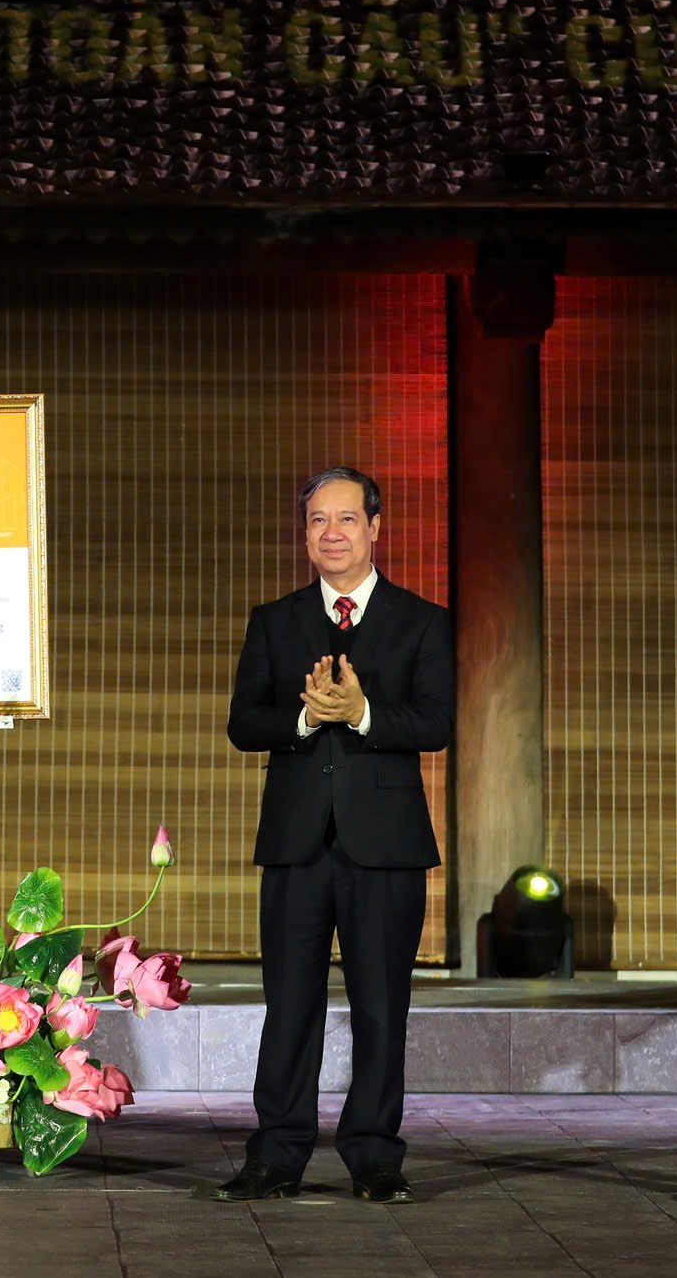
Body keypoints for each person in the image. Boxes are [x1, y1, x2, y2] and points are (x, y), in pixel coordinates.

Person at [218, 467, 454, 1204]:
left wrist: (360, 714)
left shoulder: (422, 620)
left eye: (347, 519)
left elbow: (436, 723)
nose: (332, 533)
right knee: (290, 1005)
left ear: (375, 528)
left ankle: (375, 1156)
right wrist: (303, 718)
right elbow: (243, 723)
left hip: (385, 846)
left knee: (381, 1006)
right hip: (296, 844)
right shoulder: (275, 621)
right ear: (305, 533)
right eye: (318, 520)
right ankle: (277, 1154)